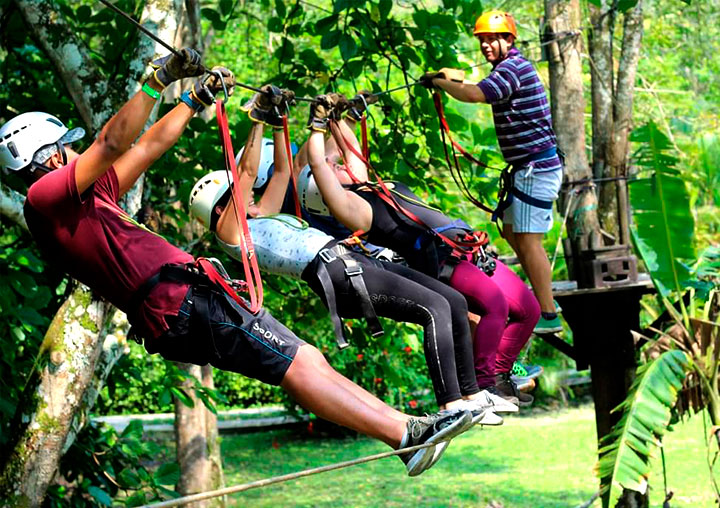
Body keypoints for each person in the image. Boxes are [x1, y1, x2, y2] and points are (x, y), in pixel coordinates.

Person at [0, 49, 472, 477]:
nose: (77, 150)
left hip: (188, 298)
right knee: (294, 363)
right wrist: (156, 80)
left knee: (305, 357)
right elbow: (109, 143)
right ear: (48, 156)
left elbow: (145, 147)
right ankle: (403, 435)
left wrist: (191, 99)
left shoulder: (85, 199)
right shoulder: (45, 202)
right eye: (67, 144)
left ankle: (406, 431)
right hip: (177, 302)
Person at [188, 87, 517, 426]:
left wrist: (276, 119)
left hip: (349, 261)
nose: (252, 195)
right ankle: (452, 405)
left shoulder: (261, 216)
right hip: (335, 273)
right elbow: (245, 173)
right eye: (239, 195)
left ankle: (473, 395)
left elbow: (284, 172)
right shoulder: (232, 235)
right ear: (222, 207)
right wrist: (256, 121)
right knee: (434, 309)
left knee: (452, 301)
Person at [302, 94, 539, 406]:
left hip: (468, 249)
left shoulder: (367, 185)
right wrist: (318, 126)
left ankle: (502, 373)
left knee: (529, 309)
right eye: (333, 168)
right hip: (440, 260)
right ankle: (487, 384)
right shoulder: (353, 208)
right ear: (324, 190)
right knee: (494, 305)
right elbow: (318, 162)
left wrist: (343, 115)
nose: (336, 163)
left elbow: (349, 149)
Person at [422, 11, 563, 334]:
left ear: (508, 40)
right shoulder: (505, 69)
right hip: (526, 170)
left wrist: (441, 83)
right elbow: (474, 84)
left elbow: (476, 94)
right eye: (481, 40)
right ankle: (541, 299)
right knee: (514, 234)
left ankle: (549, 313)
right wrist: (446, 76)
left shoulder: (513, 68)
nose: (485, 45)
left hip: (535, 169)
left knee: (528, 241)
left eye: (491, 39)